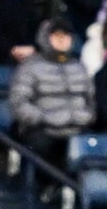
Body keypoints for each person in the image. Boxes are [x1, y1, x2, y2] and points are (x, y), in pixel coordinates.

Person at [8, 19, 94, 165]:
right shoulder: (30, 67)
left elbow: (90, 101)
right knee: (40, 146)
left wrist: (85, 117)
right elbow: (19, 103)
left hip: (76, 129)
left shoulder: (80, 67)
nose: (62, 40)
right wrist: (44, 118)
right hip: (43, 130)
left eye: (66, 36)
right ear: (46, 38)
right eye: (57, 35)